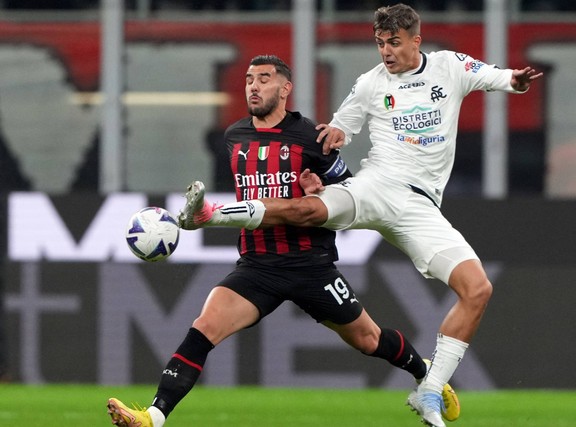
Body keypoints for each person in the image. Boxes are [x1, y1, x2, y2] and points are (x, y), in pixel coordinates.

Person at [178, 5, 543, 427]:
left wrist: (514, 82)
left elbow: (498, 77)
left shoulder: (449, 67)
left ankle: (429, 391)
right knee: (307, 209)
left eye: (394, 43)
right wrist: (333, 137)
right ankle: (208, 213)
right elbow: (339, 130)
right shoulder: (371, 83)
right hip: (375, 185)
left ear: (415, 41)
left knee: (477, 288)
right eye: (380, 43)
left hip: (420, 207)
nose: (386, 52)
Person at [107, 55, 459, 427]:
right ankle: (154, 417)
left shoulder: (312, 138)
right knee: (204, 328)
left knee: (369, 340)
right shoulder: (234, 137)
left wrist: (322, 191)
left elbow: (354, 194)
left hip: (311, 266)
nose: (253, 87)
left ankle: (426, 374)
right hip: (257, 268)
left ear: (285, 88)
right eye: (248, 80)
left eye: (263, 79)